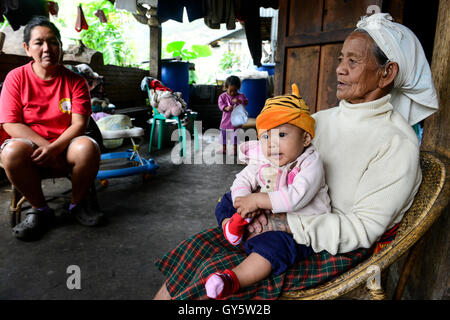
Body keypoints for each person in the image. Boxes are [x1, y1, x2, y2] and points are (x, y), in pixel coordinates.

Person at [154, 13, 438, 300]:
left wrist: (282, 223)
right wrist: (251, 202)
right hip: (272, 219)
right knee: (194, 256)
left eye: (353, 61)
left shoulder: (397, 143)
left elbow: (363, 230)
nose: (339, 69)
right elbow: (269, 164)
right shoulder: (319, 120)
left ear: (387, 73)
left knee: (206, 291)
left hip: (321, 247)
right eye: (341, 59)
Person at [205, 84, 332, 299]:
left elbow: (295, 198)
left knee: (275, 248)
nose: (272, 144)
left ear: (305, 139)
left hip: (296, 228)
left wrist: (257, 201)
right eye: (266, 136)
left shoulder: (310, 164)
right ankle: (232, 227)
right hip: (263, 214)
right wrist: (243, 201)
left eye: (282, 134)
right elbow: (242, 179)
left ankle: (233, 279)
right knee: (226, 200)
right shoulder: (266, 157)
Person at [0, 16, 104, 241]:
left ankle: (77, 204)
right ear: (27, 48)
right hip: (32, 146)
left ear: (60, 47)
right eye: (39, 42)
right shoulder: (15, 78)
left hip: (66, 144)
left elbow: (79, 124)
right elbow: (10, 123)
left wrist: (56, 148)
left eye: (53, 42)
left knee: (88, 146)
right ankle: (40, 210)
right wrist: (47, 147)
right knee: (10, 153)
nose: (47, 48)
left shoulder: (76, 81)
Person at [217, 75, 248, 155]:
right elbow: (220, 104)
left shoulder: (240, 96)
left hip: (236, 121)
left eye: (235, 91)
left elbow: (245, 102)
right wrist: (226, 108)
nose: (233, 93)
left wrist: (239, 101)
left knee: (235, 136)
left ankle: (234, 150)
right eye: (230, 91)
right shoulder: (222, 96)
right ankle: (224, 149)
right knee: (223, 135)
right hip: (225, 120)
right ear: (226, 87)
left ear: (238, 88)